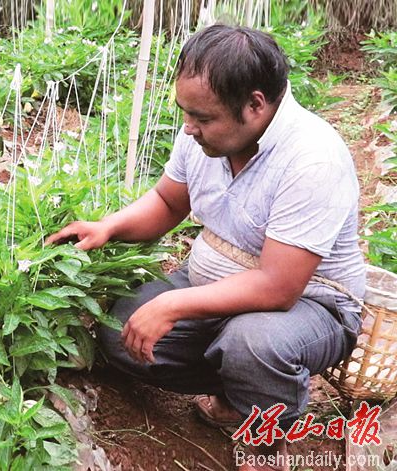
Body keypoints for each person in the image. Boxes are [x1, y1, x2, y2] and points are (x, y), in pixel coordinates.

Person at [47, 25, 364, 471]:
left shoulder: (313, 159)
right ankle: (240, 390)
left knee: (254, 344)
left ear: (254, 105)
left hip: (310, 306)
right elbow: (167, 200)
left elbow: (279, 287)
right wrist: (108, 227)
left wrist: (174, 305)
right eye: (185, 113)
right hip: (215, 285)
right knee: (120, 331)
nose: (189, 127)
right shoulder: (203, 134)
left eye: (203, 118)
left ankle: (270, 435)